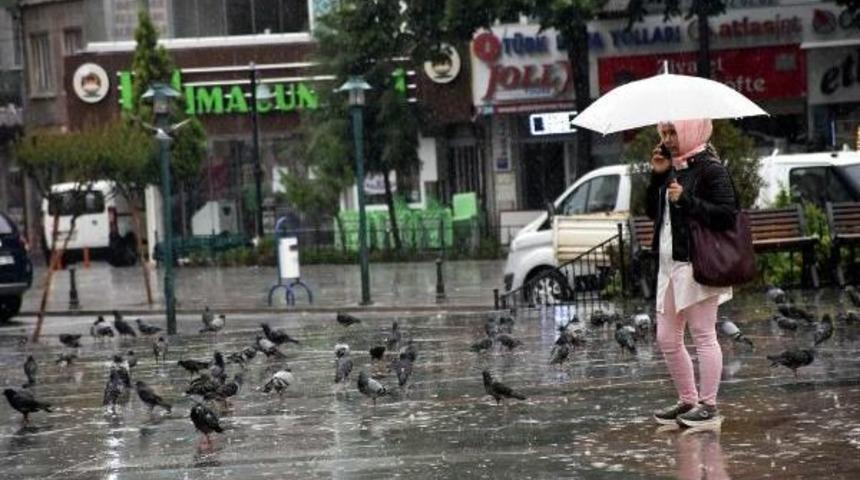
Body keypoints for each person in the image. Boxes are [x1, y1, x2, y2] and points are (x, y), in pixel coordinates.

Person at [646, 119, 736, 428]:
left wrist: (687, 200)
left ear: (691, 130)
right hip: (669, 265)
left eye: (674, 133)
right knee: (667, 337)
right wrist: (657, 176)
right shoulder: (672, 167)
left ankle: (708, 406)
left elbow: (727, 215)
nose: (669, 140)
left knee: (703, 335)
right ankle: (688, 399)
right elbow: (650, 212)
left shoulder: (711, 168)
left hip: (698, 264)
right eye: (665, 134)